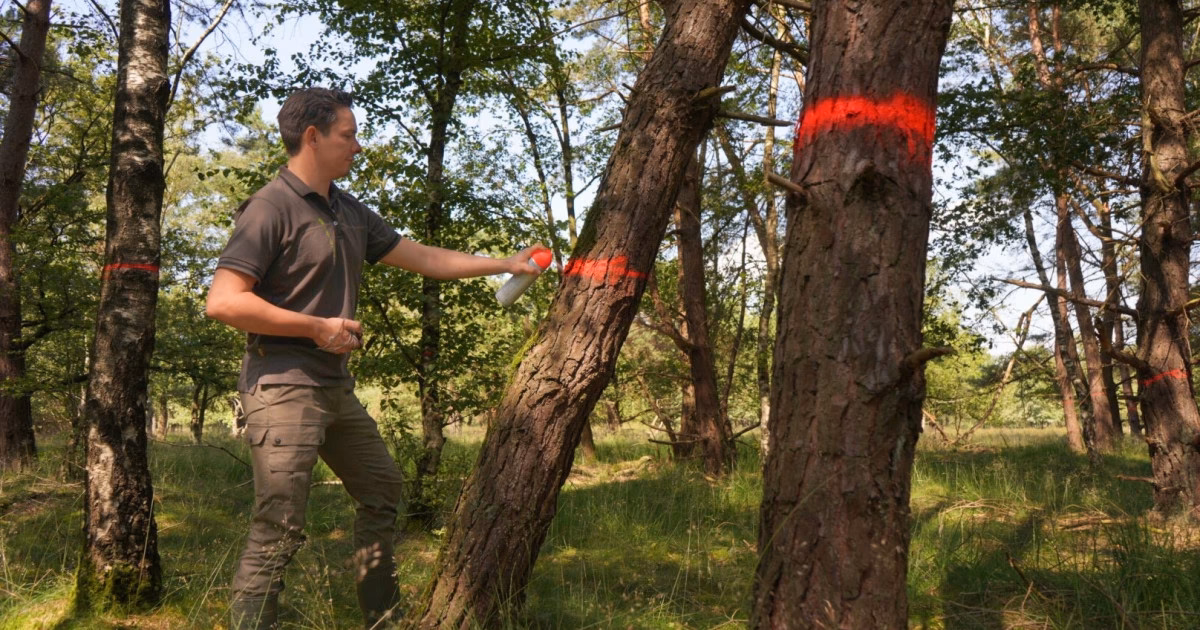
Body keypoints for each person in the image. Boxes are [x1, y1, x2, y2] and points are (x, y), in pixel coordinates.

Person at [206, 87, 542, 630]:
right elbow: (223, 302)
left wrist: (505, 262)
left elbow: (424, 257)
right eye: (348, 135)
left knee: (382, 487)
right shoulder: (271, 207)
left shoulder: (348, 210)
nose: (357, 146)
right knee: (280, 525)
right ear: (311, 137)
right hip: (282, 385)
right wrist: (317, 327)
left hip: (334, 386)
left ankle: (382, 618)